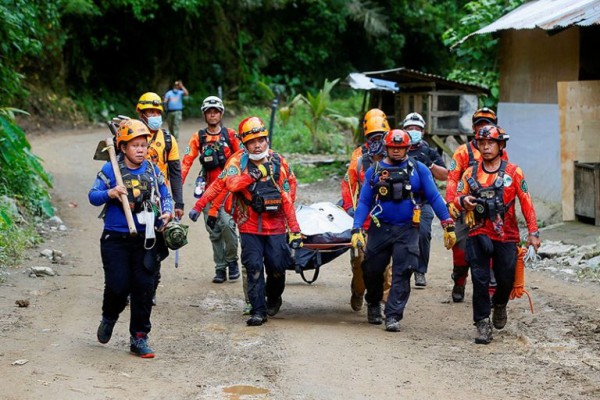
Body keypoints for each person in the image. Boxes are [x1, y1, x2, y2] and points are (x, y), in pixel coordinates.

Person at [351, 129, 456, 332]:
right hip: (380, 227)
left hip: (408, 229)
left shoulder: (419, 169)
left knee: (403, 271)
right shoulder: (374, 170)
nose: (396, 151)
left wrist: (447, 223)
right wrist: (356, 228)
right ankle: (373, 302)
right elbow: (364, 201)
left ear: (407, 148)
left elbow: (434, 197)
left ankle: (392, 315)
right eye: (393, 147)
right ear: (386, 147)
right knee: (371, 268)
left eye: (400, 148)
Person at [89, 119, 173, 358]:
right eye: (134, 145)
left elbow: (165, 195)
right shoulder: (110, 170)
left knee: (144, 288)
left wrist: (166, 212)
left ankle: (139, 338)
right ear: (123, 147)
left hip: (146, 239)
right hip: (115, 238)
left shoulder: (153, 171)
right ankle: (109, 317)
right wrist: (111, 192)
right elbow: (93, 196)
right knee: (118, 286)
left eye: (143, 145)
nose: (140, 149)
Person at [452, 124, 540, 344]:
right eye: (482, 143)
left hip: (507, 235)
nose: (486, 147)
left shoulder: (514, 172)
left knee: (506, 279)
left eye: (491, 142)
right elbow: (457, 196)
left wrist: (533, 232)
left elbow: (527, 202)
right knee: (480, 279)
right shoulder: (469, 172)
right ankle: (482, 323)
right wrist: (464, 201)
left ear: (500, 145)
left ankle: (500, 303)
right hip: (477, 232)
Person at [223, 116, 301, 326]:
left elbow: (289, 188)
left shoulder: (279, 161)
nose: (257, 146)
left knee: (277, 266)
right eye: (252, 142)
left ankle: (274, 296)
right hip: (249, 224)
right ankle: (258, 310)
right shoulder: (237, 162)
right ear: (244, 144)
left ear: (267, 140)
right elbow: (231, 184)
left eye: (261, 140)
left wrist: (292, 223)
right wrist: (253, 176)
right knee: (254, 266)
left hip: (275, 225)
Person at [183, 96, 243, 283]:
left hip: (229, 190)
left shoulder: (230, 135)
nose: (212, 114)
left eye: (216, 111)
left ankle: (232, 260)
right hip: (208, 190)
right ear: (204, 114)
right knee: (214, 230)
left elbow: (243, 157)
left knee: (227, 226)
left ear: (221, 113)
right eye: (209, 111)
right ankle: (220, 268)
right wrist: (176, 187)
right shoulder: (198, 137)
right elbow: (186, 163)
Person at [446, 107, 502, 302]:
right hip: (465, 208)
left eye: (488, 124)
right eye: (480, 125)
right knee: (460, 250)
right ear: (473, 128)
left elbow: (507, 177)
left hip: (490, 210)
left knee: (492, 250)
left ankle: (491, 294)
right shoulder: (463, 152)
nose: (484, 129)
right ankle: (459, 280)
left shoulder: (501, 152)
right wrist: (452, 203)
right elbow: (452, 179)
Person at [136, 92, 185, 305]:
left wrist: (179, 202)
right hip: (133, 198)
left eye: (157, 112)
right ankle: (131, 286)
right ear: (141, 113)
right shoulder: (130, 138)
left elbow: (175, 171)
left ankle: (151, 285)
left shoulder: (167, 139)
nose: (154, 115)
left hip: (158, 201)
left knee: (155, 246)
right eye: (150, 112)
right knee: (132, 244)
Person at [341, 110, 390, 311]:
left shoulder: (396, 152)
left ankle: (384, 304)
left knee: (387, 267)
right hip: (365, 218)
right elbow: (349, 185)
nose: (377, 141)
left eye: (380, 136)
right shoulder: (359, 157)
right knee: (361, 263)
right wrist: (351, 211)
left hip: (388, 218)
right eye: (373, 137)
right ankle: (358, 291)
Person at [403, 112, 448, 288]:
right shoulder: (396, 149)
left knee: (423, 233)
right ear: (403, 130)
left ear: (423, 131)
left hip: (424, 201)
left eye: (417, 128)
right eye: (410, 128)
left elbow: (445, 175)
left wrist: (429, 163)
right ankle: (400, 269)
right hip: (401, 201)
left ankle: (420, 271)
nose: (413, 131)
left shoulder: (429, 151)